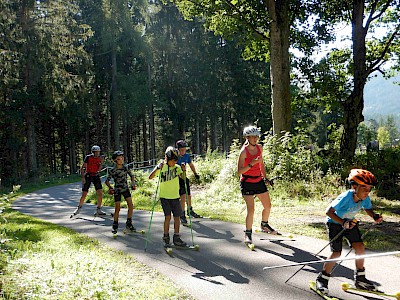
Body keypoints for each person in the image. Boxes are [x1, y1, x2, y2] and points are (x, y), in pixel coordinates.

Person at [315, 169, 383, 294]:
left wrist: (374, 216)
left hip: (350, 223)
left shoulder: (365, 197)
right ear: (354, 186)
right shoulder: (346, 197)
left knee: (360, 247)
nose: (367, 191)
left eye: (369, 188)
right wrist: (342, 222)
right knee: (336, 253)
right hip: (335, 223)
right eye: (364, 188)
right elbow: (328, 212)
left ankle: (360, 279)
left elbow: (367, 208)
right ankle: (322, 279)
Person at [237, 125, 278, 246]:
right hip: (247, 182)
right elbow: (239, 172)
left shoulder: (260, 148)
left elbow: (261, 164)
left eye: (256, 137)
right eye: (253, 137)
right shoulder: (243, 152)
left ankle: (264, 224)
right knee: (251, 210)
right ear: (247, 138)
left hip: (259, 181)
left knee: (268, 206)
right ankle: (248, 233)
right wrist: (251, 164)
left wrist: (266, 178)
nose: (255, 139)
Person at [148, 146, 187, 247]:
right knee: (168, 217)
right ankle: (166, 237)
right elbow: (150, 177)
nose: (174, 162)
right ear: (167, 159)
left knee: (177, 217)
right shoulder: (162, 167)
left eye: (176, 160)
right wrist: (157, 168)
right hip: (165, 197)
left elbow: (182, 178)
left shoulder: (177, 168)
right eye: (173, 161)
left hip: (175, 196)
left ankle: (177, 237)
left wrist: (184, 170)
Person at [105, 151, 136, 235]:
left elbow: (132, 175)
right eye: (119, 158)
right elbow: (106, 181)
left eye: (122, 158)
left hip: (125, 189)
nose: (121, 160)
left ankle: (129, 223)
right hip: (117, 190)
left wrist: (132, 183)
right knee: (117, 208)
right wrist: (110, 188)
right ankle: (115, 225)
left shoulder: (125, 167)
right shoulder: (113, 170)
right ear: (115, 160)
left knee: (130, 205)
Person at [72, 145, 106, 217]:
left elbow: (99, 169)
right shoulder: (88, 157)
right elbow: (82, 168)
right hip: (88, 176)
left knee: (100, 193)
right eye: (96, 152)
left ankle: (98, 209)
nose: (97, 153)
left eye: (98, 152)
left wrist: (101, 163)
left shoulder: (100, 158)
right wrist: (83, 178)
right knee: (84, 194)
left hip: (96, 176)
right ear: (93, 152)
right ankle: (79, 208)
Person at [176, 139, 202, 225]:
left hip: (184, 178)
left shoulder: (186, 156)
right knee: (183, 197)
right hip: (177, 179)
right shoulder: (175, 156)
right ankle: (182, 215)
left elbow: (191, 165)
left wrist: (195, 174)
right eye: (182, 150)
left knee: (189, 196)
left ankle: (189, 210)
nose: (183, 151)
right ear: (178, 150)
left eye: (184, 149)